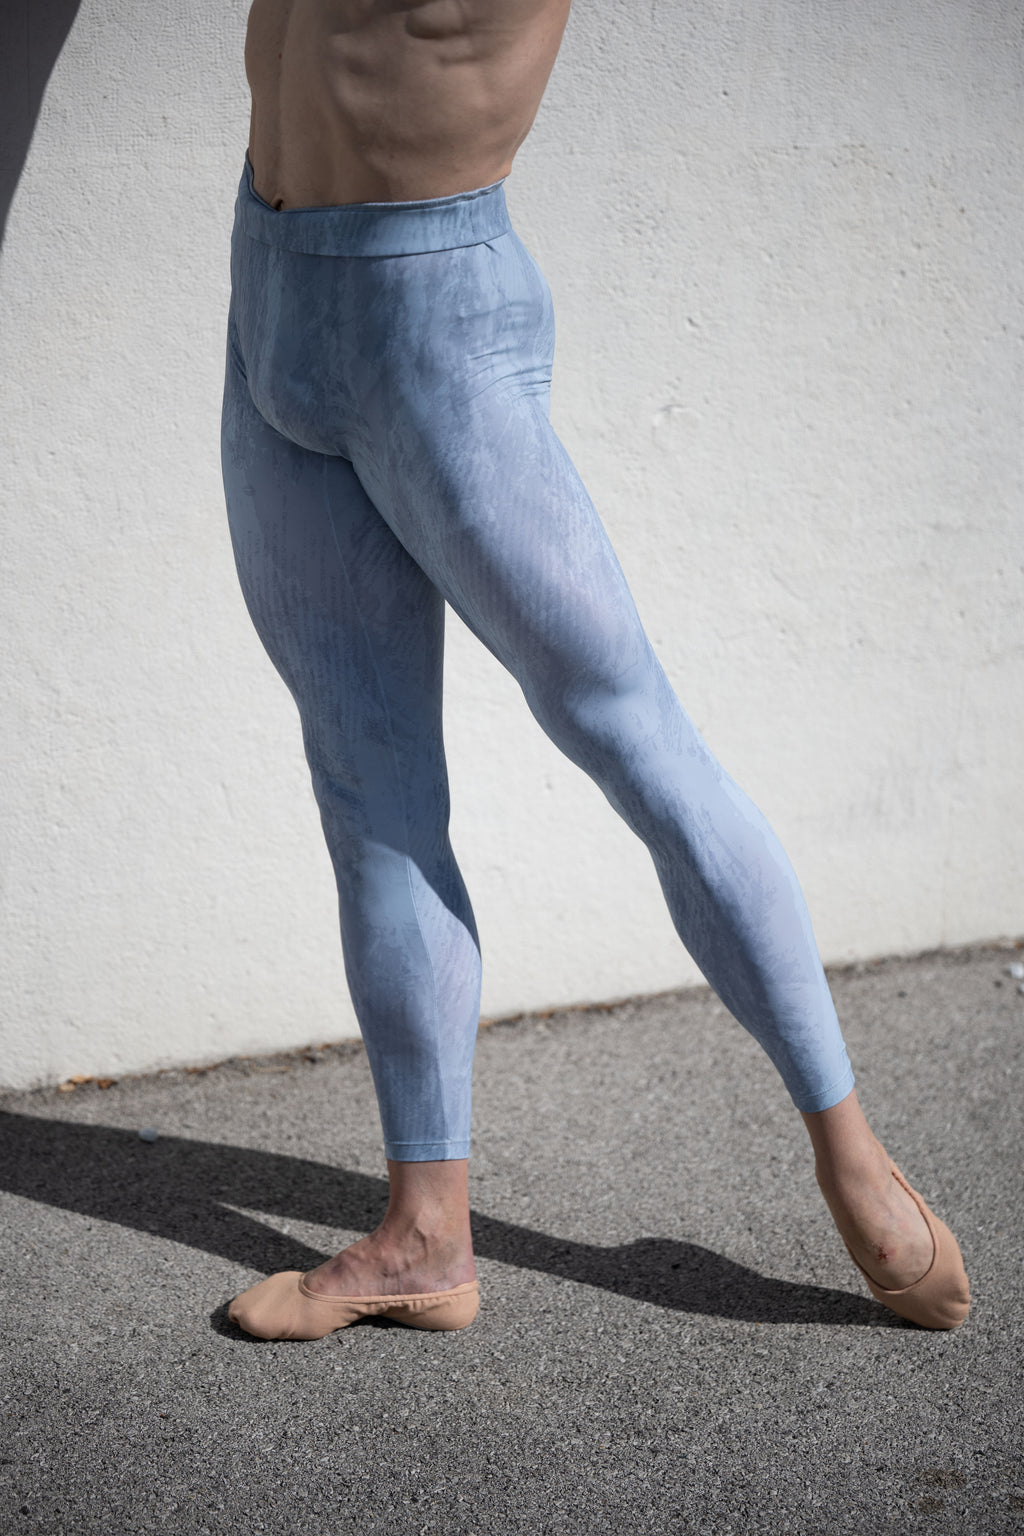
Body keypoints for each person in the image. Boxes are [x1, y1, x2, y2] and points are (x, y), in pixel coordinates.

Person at [224, 0, 969, 1339]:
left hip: (432, 310)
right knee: (364, 782)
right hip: (268, 290)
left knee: (633, 735)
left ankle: (852, 1152)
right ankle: (424, 1236)